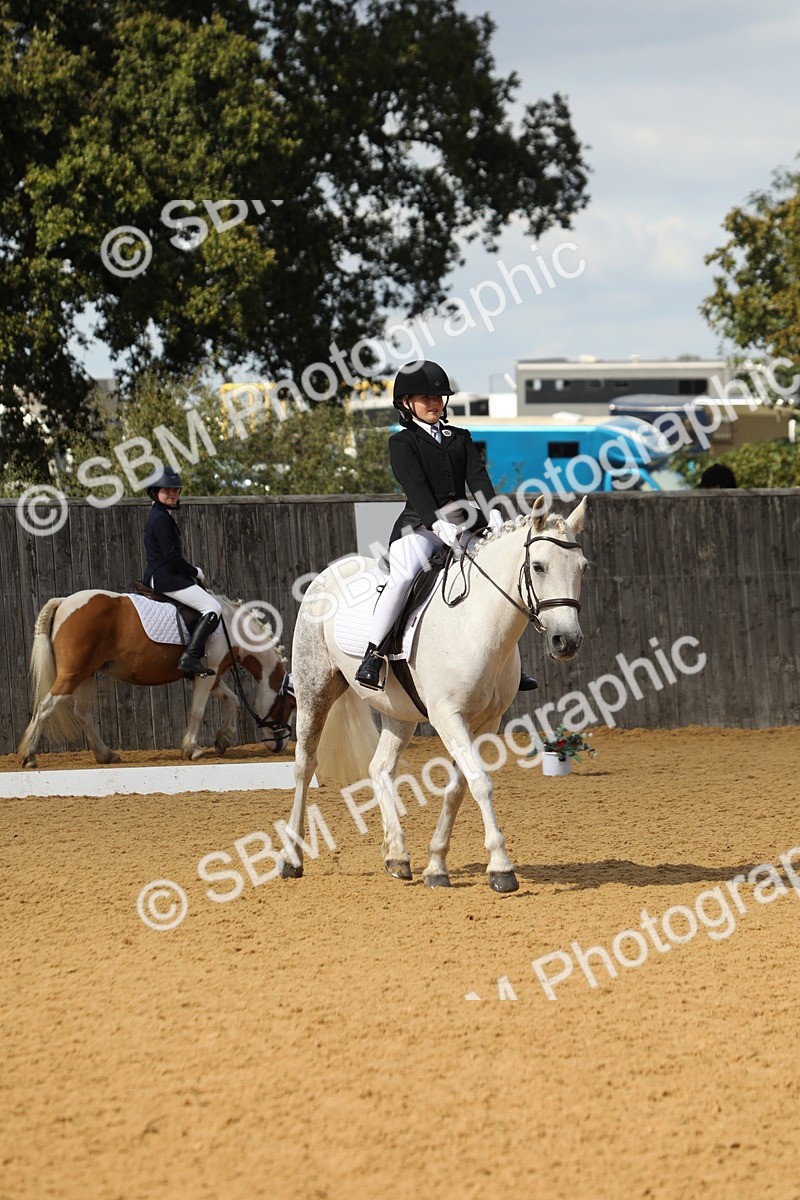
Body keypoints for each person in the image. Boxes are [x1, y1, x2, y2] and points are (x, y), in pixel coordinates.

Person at [355, 359, 538, 693]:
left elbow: (478, 479)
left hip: (467, 524)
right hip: (420, 528)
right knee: (404, 576)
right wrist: (436, 524)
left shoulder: (460, 438)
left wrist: (495, 515)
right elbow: (416, 487)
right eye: (426, 398)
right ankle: (373, 652)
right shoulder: (402, 443)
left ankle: (514, 663)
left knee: (500, 576)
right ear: (406, 403)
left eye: (439, 397)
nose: (435, 403)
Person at [142, 467, 223, 677]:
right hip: (165, 578)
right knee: (213, 608)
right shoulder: (160, 518)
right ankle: (191, 657)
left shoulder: (160, 515)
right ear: (154, 492)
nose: (172, 494)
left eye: (176, 490)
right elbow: (172, 558)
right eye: (167, 490)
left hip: (162, 575)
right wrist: (195, 571)